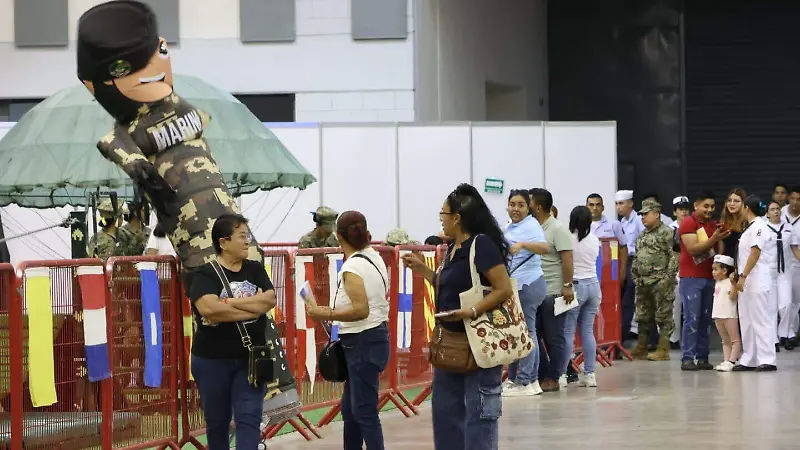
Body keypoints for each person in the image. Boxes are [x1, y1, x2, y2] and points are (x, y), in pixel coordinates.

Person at [401, 183, 512, 450]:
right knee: (446, 416)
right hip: (449, 345)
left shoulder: (481, 245)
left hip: (479, 345)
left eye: (443, 214)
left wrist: (473, 310)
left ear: (457, 218)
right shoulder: (452, 249)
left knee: (480, 417)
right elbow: (449, 285)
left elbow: (504, 288)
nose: (441, 220)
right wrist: (422, 270)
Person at [188, 214, 277, 449]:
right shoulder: (205, 274)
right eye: (242, 236)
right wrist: (252, 308)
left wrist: (228, 303)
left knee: (249, 419)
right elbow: (209, 309)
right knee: (217, 422)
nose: (247, 241)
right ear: (223, 242)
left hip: (250, 358)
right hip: (211, 360)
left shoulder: (255, 269)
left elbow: (269, 299)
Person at [306, 211, 390, 450]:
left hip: (363, 341)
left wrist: (326, 313)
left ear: (338, 236)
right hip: (373, 338)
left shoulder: (352, 267)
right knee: (352, 409)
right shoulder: (374, 256)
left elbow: (360, 310)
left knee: (363, 411)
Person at [501, 189, 548, 397]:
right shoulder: (511, 226)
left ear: (528, 207)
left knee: (527, 332)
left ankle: (525, 380)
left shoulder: (531, 225)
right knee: (526, 332)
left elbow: (544, 247)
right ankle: (530, 380)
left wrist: (522, 245)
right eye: (512, 204)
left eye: (520, 205)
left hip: (528, 284)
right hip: (516, 285)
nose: (515, 209)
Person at [678, 191, 729, 371]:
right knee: (692, 319)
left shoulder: (712, 224)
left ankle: (703, 357)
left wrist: (720, 237)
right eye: (705, 206)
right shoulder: (688, 223)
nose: (709, 210)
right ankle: (687, 358)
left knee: (706, 319)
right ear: (696, 206)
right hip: (691, 277)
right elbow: (692, 249)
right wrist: (715, 238)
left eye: (712, 207)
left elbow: (718, 252)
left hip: (709, 277)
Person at [529, 188, 574, 391]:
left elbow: (567, 259)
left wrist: (567, 285)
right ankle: (543, 374)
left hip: (553, 291)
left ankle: (554, 376)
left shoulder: (557, 229)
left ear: (538, 207)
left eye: (526, 203)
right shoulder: (531, 228)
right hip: (534, 291)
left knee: (554, 337)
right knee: (534, 335)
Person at [734, 196, 778, 372]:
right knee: (747, 320)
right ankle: (749, 358)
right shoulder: (750, 227)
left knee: (760, 319)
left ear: (746, 208)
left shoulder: (759, 226)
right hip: (746, 281)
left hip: (756, 279)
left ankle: (767, 358)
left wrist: (743, 275)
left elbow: (755, 252)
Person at [630, 199, 677, 361]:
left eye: (646, 214)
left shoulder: (666, 232)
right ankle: (641, 347)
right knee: (642, 316)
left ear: (656, 214)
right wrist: (635, 275)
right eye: (641, 215)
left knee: (663, 316)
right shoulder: (642, 235)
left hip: (660, 281)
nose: (643, 217)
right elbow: (637, 256)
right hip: (643, 281)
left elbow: (674, 256)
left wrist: (667, 278)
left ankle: (663, 349)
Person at [561, 206, 602, 386]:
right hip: (594, 285)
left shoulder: (568, 239)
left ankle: (562, 374)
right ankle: (590, 374)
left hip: (575, 286)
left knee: (568, 332)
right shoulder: (595, 240)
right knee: (587, 332)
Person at [766, 201, 796, 350]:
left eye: (778, 209)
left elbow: (795, 249)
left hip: (785, 270)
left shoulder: (789, 228)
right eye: (772, 209)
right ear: (767, 213)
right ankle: (773, 340)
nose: (776, 211)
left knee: (786, 303)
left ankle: (783, 333)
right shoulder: (764, 229)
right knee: (771, 307)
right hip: (769, 271)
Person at [616, 190, 645, 342]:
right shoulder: (622, 222)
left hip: (635, 261)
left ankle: (623, 336)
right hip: (623, 260)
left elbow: (644, 242)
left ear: (630, 204)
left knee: (629, 300)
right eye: (616, 204)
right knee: (622, 299)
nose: (618, 207)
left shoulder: (639, 220)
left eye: (621, 203)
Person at [586, 193, 628, 282]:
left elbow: (623, 247)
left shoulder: (614, 224)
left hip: (610, 270)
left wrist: (622, 270)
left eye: (598, 205)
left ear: (603, 208)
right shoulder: (582, 226)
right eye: (591, 205)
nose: (594, 208)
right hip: (588, 271)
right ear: (586, 207)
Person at [669, 196, 692, 348]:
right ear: (674, 212)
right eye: (680, 209)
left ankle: (691, 339)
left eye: (685, 209)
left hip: (690, 268)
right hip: (674, 270)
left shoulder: (694, 226)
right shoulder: (669, 229)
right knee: (674, 307)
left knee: (691, 307)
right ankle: (673, 339)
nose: (683, 212)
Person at [711, 255, 740, 372]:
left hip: (729, 315)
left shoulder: (729, 282)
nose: (713, 272)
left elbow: (733, 297)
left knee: (734, 340)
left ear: (724, 271)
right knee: (725, 340)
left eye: (715, 269)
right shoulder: (718, 283)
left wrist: (734, 284)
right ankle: (726, 360)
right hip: (718, 315)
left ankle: (732, 361)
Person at [781, 186, 800, 348]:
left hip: (797, 265)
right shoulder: (779, 213)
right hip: (779, 265)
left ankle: (791, 334)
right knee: (782, 302)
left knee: (794, 301)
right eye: (793, 198)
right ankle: (782, 333)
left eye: (799, 199)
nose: (795, 202)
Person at [720, 188, 748, 260]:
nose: (731, 204)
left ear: (743, 203)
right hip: (726, 264)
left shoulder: (747, 222)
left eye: (736, 201)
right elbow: (721, 250)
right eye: (729, 200)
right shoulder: (723, 221)